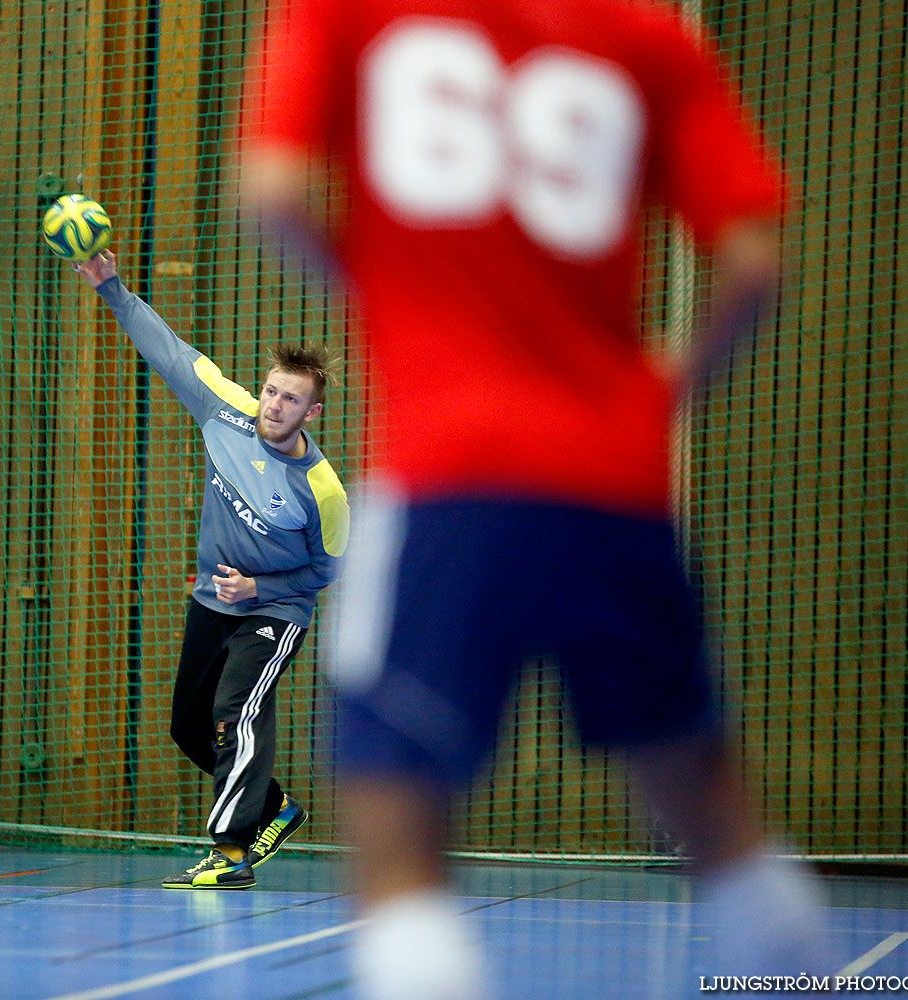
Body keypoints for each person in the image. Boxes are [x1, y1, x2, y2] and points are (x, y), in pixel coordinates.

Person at [239, 0, 825, 995]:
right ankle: (801, 959)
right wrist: (659, 396)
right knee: (711, 809)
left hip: (447, 475)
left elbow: (272, 191)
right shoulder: (650, 37)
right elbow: (756, 262)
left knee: (395, 827)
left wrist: (387, 292)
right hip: (618, 482)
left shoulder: (349, 12)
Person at [72, 248, 349, 889]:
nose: (274, 405)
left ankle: (230, 856)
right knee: (188, 726)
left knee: (236, 712)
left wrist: (263, 587)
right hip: (212, 599)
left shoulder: (323, 490)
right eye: (273, 390)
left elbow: (330, 572)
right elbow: (167, 350)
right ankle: (276, 806)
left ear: (313, 414)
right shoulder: (226, 410)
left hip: (275, 613)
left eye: (291, 400)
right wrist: (111, 286)